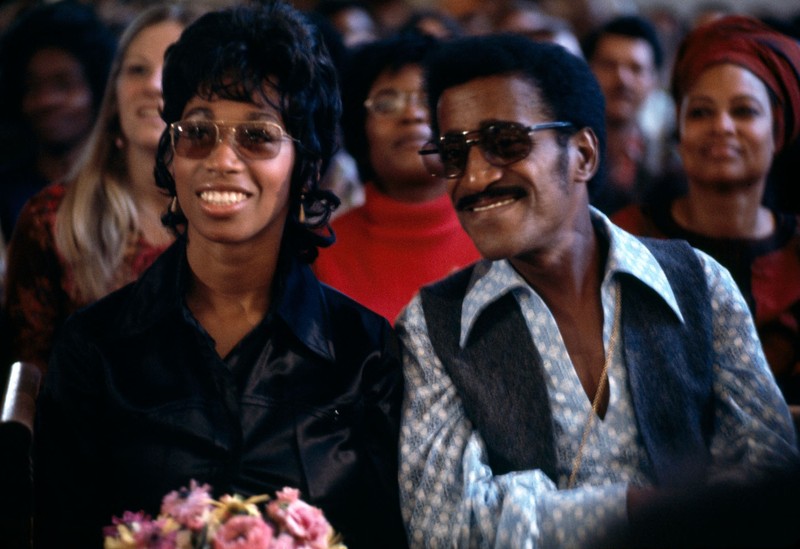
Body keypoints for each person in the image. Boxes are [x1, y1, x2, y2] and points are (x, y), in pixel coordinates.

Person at [398, 33, 799, 548]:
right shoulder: (434, 324)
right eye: (454, 154)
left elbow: (769, 473)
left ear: (583, 155)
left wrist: (525, 512)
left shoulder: (698, 283)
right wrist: (637, 508)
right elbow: (444, 528)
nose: (474, 177)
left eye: (506, 143)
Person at [33, 4, 406, 549]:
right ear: (172, 156)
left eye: (257, 136)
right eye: (198, 133)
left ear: (304, 169)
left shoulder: (364, 351)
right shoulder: (96, 348)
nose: (222, 159)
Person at [613, 15, 800, 405]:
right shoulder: (627, 239)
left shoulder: (796, 254)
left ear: (777, 130)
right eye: (700, 112)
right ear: (679, 129)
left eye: (744, 111)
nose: (722, 127)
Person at [3, 4, 198, 373]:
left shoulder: (239, 217)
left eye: (175, 68)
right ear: (113, 93)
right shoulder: (50, 220)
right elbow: (29, 382)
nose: (154, 84)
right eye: (137, 69)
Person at [313, 33, 481, 323]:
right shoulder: (321, 251)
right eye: (386, 104)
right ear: (359, 126)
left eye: (428, 101)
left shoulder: (501, 233)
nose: (412, 115)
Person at [0, 1, 117, 241]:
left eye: (63, 84)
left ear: (96, 90)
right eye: (32, 87)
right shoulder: (5, 193)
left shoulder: (121, 187)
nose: (46, 100)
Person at [583, 14, 675, 216]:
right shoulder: (566, 153)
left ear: (654, 80)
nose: (622, 79)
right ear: (587, 71)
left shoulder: (667, 164)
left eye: (636, 69)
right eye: (609, 65)